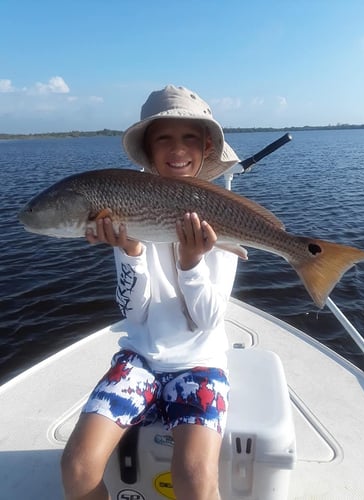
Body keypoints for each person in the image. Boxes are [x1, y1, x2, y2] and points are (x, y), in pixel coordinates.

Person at [61, 85, 240, 500]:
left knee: (195, 479)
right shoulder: (125, 206)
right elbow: (133, 313)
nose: (177, 150)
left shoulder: (222, 211)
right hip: (140, 356)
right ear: (148, 148)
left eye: (189, 138)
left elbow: (210, 320)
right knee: (77, 465)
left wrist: (192, 263)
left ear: (206, 146)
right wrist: (131, 251)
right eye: (164, 138)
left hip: (200, 363)